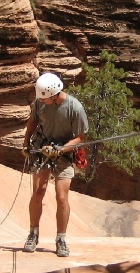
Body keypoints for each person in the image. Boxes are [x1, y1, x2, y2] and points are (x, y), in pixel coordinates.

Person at [22, 72, 89, 257]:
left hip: (64, 151)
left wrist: (60, 149)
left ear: (54, 95)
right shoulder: (40, 102)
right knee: (38, 192)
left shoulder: (74, 107)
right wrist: (26, 143)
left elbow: (80, 137)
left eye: (45, 99)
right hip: (43, 147)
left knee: (61, 197)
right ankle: (33, 234)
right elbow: (33, 121)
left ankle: (61, 239)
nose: (41, 102)